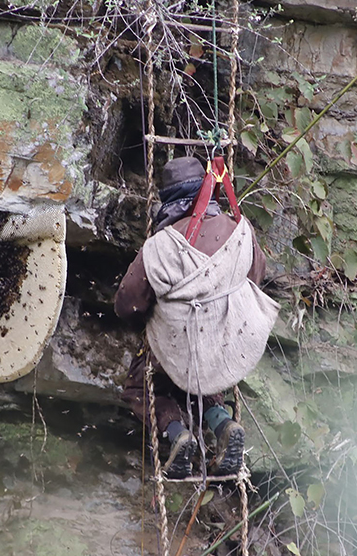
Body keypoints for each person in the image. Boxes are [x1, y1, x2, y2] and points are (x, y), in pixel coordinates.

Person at [115, 156, 267, 479]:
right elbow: (257, 275)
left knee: (140, 387)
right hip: (223, 342)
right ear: (206, 192)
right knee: (203, 379)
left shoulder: (160, 246)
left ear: (168, 200)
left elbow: (126, 303)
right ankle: (223, 424)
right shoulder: (240, 232)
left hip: (175, 347)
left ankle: (176, 434)